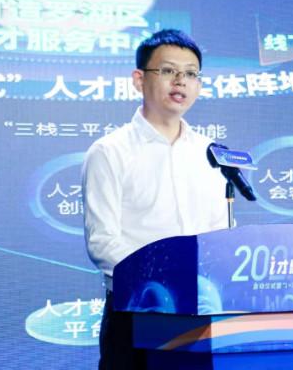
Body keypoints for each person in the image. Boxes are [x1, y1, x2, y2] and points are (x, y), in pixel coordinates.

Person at [81, 29, 229, 369]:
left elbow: (218, 235)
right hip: (137, 310)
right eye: (168, 70)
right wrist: (165, 282)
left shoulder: (211, 153)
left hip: (201, 312)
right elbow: (103, 243)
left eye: (191, 73)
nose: (181, 81)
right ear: (139, 79)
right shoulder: (110, 151)